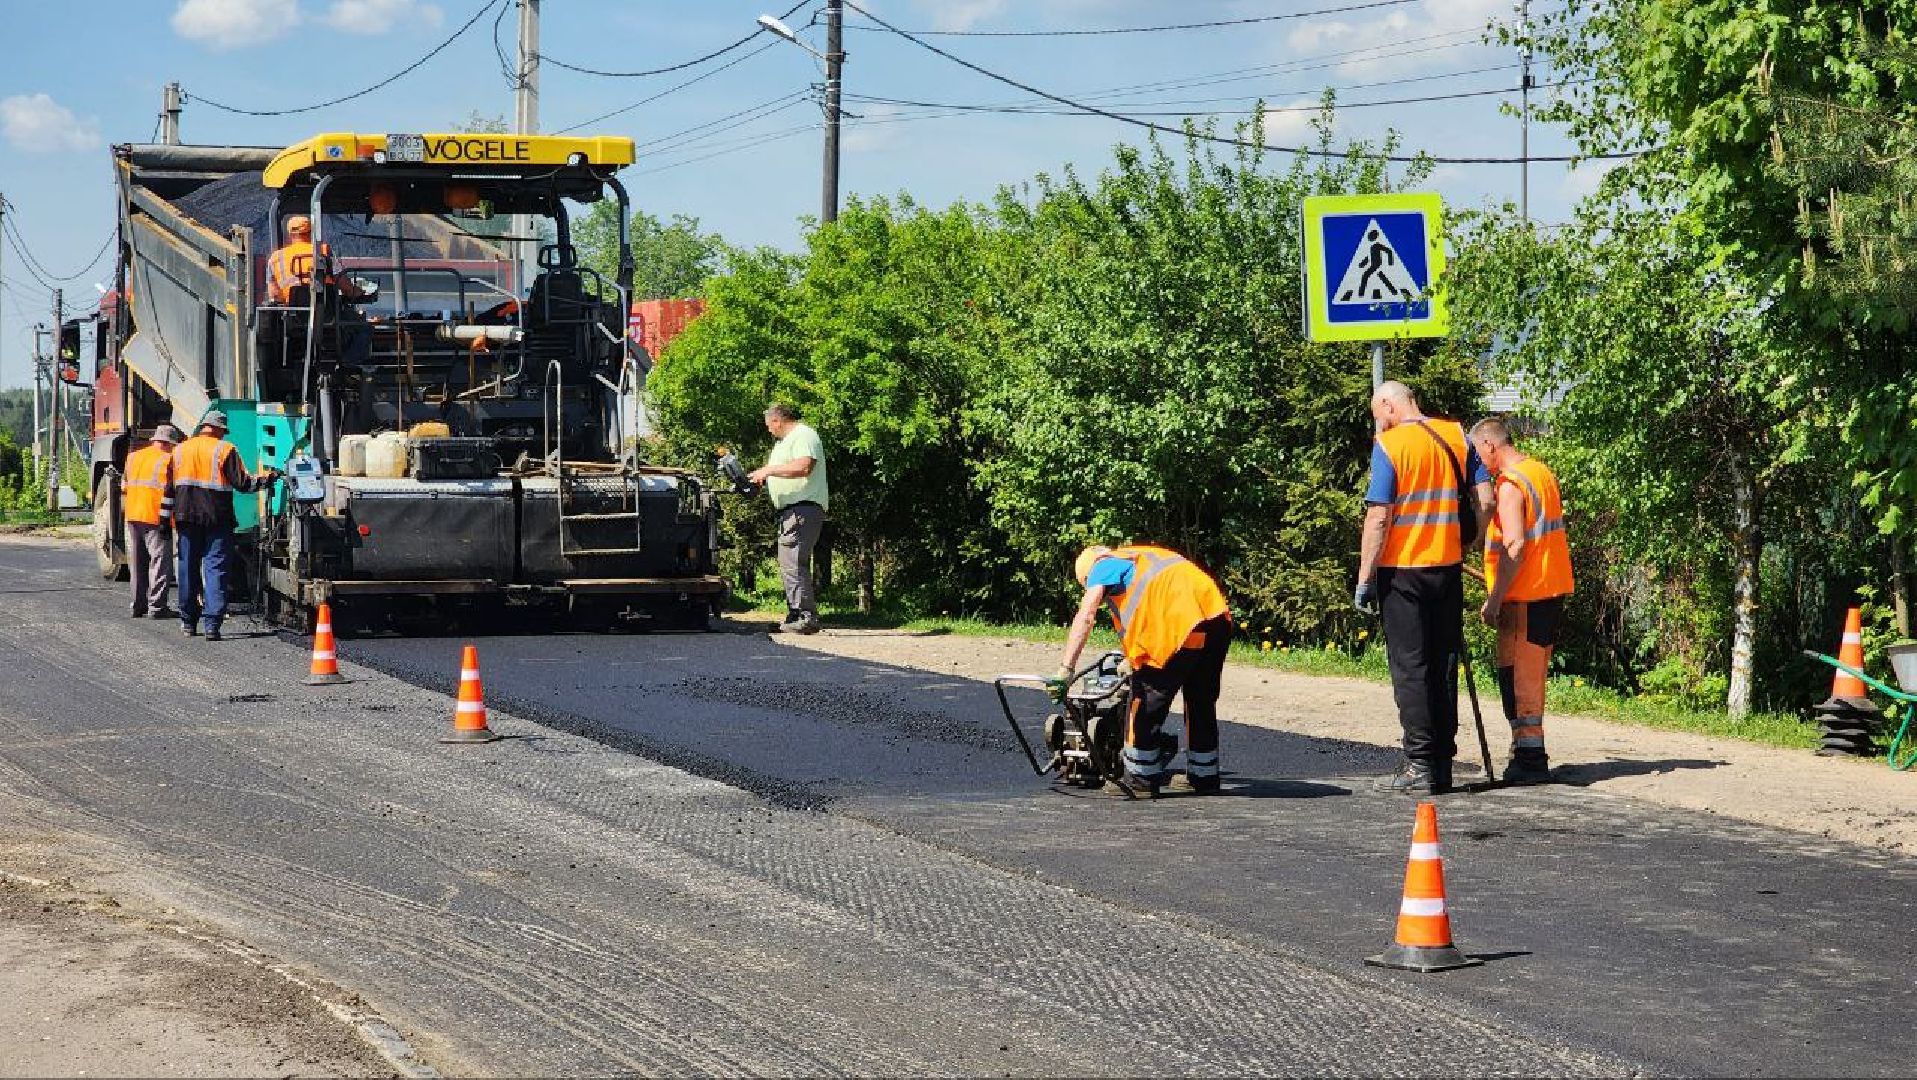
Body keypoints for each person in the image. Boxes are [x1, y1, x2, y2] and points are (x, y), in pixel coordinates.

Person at [1353, 381, 1492, 795]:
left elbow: (1379, 517)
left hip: (1403, 573)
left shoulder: (1391, 446)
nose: (1379, 421)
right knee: (1444, 661)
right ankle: (1442, 762)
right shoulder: (1455, 434)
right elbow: (1484, 498)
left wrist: (1365, 578)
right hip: (1446, 569)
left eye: (1379, 413)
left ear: (1387, 406)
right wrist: (1469, 541)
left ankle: (1419, 763)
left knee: (1412, 667)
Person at [1055, 544, 1232, 799]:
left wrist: (1066, 668)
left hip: (1179, 624)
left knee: (1145, 698)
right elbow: (1152, 601)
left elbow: (1086, 613)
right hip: (1215, 620)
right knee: (1200, 699)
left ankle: (1139, 778)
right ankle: (1203, 777)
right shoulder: (1142, 556)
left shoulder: (1103, 566)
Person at [1469, 417, 1574, 785]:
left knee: (1519, 681)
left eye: (1477, 453)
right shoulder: (1539, 472)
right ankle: (1524, 752)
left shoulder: (1512, 485)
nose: (1477, 462)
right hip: (1547, 590)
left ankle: (1530, 759)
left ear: (1490, 445)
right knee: (1529, 676)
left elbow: (1514, 546)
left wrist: (1495, 599)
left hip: (1524, 597)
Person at [170, 411, 276, 642]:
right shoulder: (225, 449)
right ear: (217, 429)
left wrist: (164, 521)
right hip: (218, 519)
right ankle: (212, 626)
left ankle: (188, 622)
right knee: (215, 569)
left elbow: (169, 490)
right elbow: (243, 483)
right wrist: (268, 479)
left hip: (186, 517)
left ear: (203, 427)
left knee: (187, 568)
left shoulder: (179, 450)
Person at [747, 404, 829, 634]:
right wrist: (762, 476)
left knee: (794, 561)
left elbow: (804, 467)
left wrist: (770, 470)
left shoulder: (803, 435)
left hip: (802, 508)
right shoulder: (784, 443)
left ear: (777, 421)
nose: (769, 431)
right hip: (792, 511)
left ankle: (805, 616)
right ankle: (795, 613)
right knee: (789, 561)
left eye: (769, 427)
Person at [121, 424, 182, 620]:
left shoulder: (133, 457)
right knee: (160, 562)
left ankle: (137, 605)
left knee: (138, 562)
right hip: (156, 516)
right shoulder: (169, 460)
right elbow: (174, 490)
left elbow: (124, 485)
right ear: (170, 443)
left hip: (133, 515)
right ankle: (157, 606)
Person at [264, 215, 366, 305]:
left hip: (292, 318)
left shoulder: (275, 258)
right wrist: (357, 292)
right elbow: (344, 285)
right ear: (311, 232)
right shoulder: (323, 251)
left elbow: (274, 294)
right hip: (327, 314)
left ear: (290, 234)